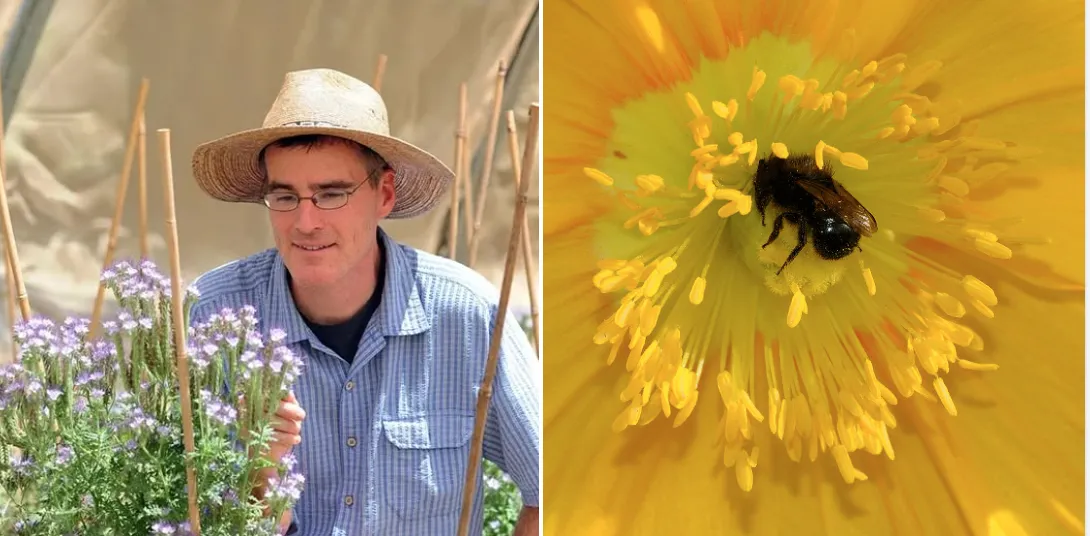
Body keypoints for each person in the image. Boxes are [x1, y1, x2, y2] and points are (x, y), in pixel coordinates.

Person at [185, 68, 541, 535]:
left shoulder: (466, 314)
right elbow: (174, 511)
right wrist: (261, 471)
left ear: (385, 194)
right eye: (285, 196)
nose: (305, 221)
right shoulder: (214, 321)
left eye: (332, 194)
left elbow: (555, 487)